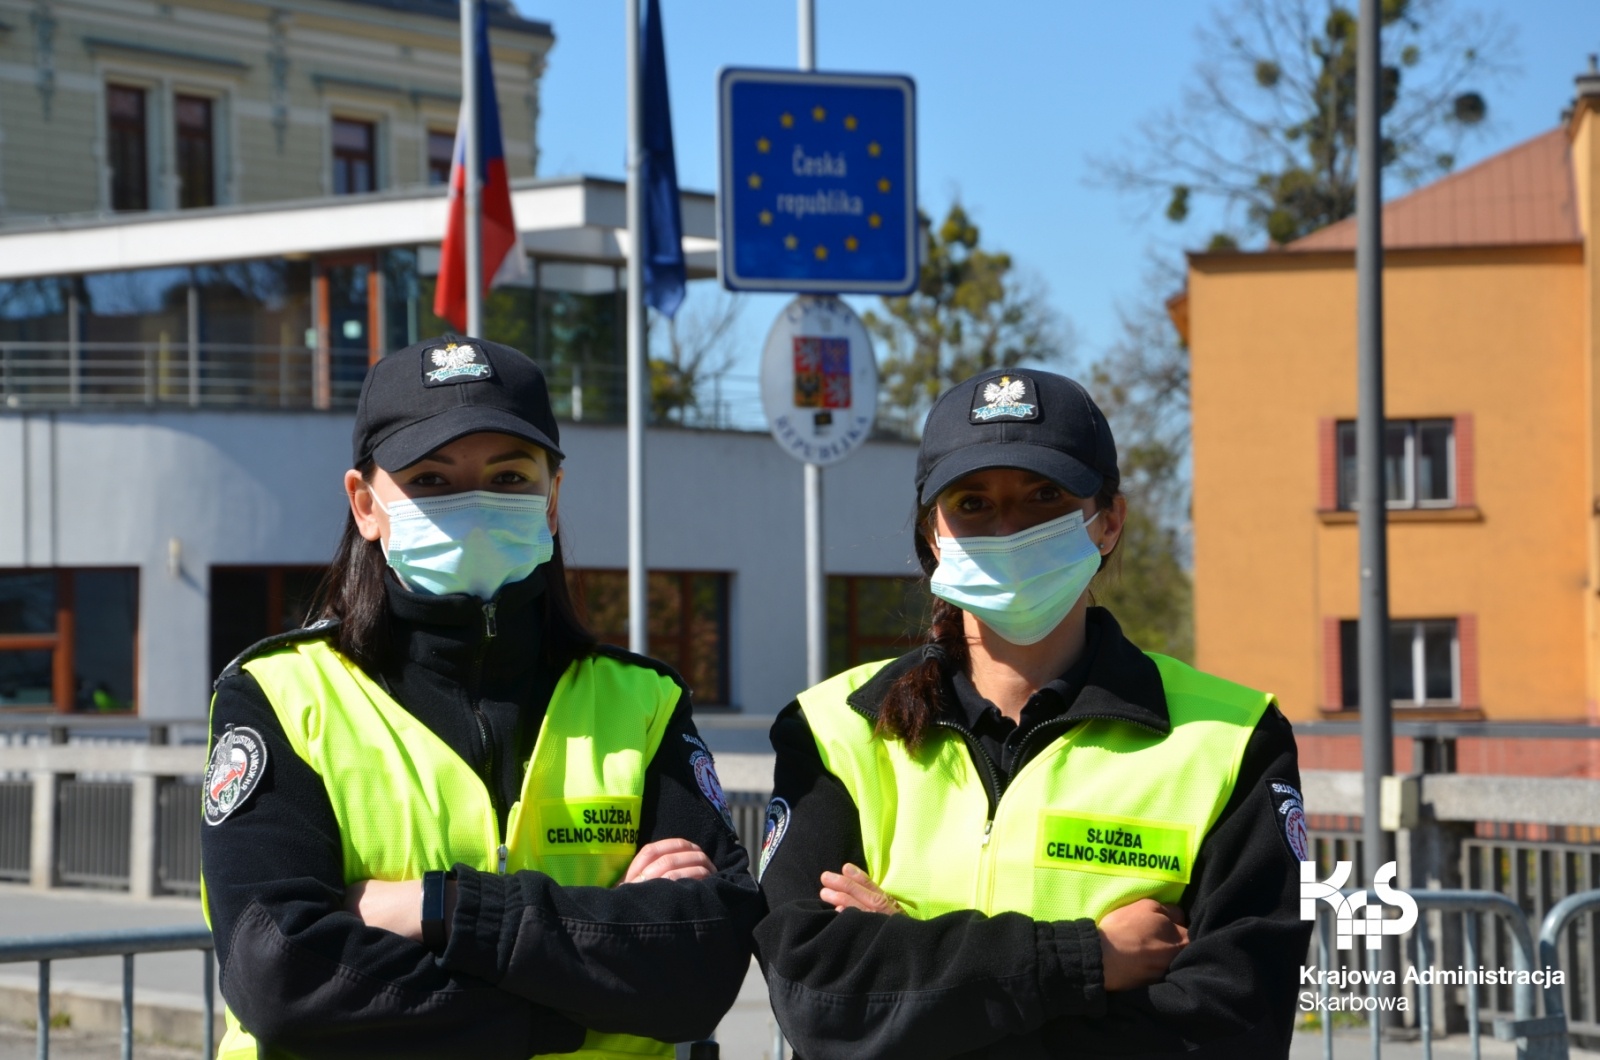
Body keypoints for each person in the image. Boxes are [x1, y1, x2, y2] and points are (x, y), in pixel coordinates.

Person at [200, 336, 761, 1060]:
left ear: (552, 499)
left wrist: (437, 909)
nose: (475, 504)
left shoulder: (643, 700)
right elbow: (280, 977)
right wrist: (570, 1001)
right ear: (365, 504)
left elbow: (704, 964)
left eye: (509, 477)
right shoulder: (280, 695)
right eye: (430, 480)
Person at [755, 369, 1311, 1059]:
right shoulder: (832, 730)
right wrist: (1085, 961)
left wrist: (913, 969)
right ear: (933, 534)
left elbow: (1233, 1028)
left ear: (1109, 521)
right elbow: (817, 1002)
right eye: (974, 503)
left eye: (1046, 496)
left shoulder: (1233, 741)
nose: (1009, 528)